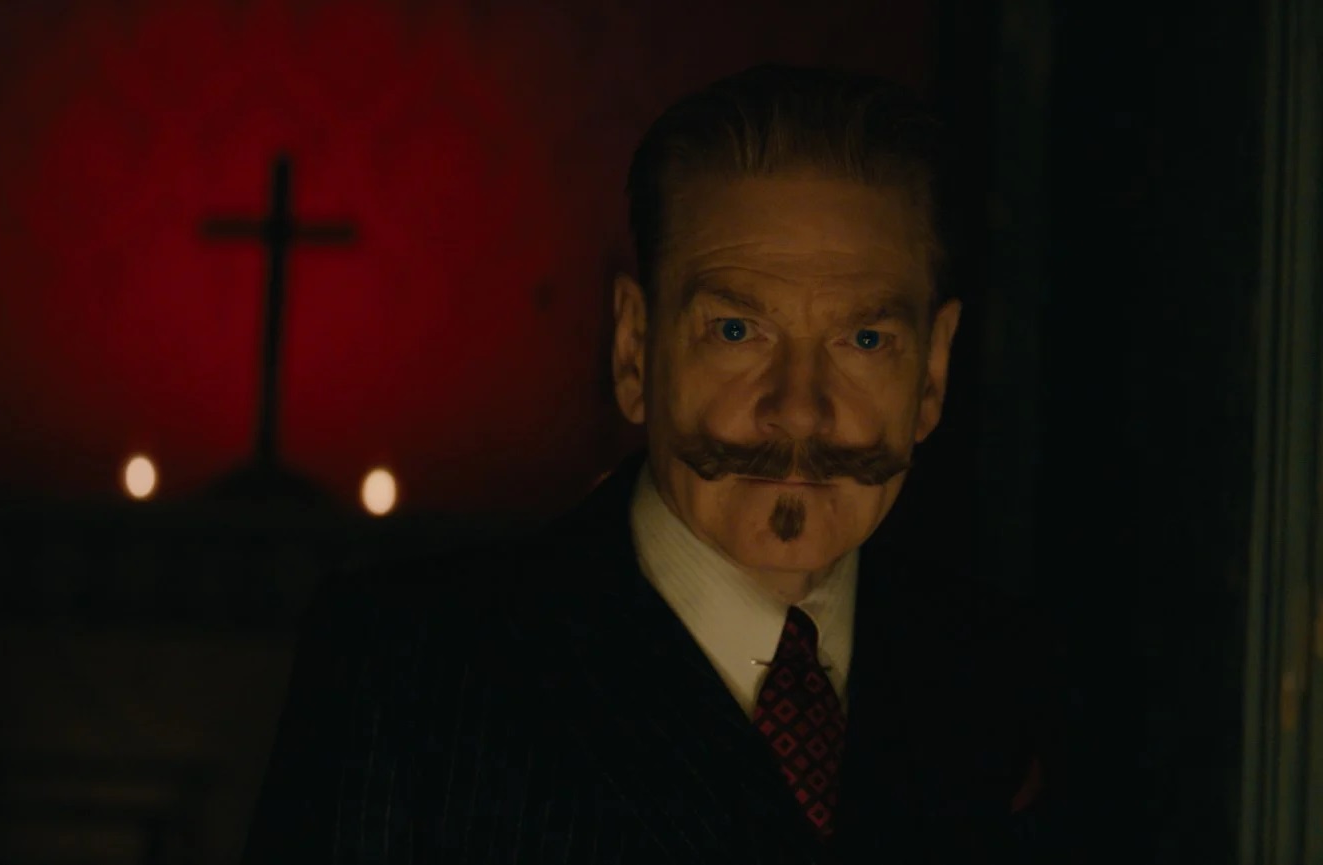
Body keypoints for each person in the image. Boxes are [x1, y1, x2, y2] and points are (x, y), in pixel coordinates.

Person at [242, 65, 1063, 865]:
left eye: (865, 339)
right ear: (635, 349)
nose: (799, 407)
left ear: (933, 373)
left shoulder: (1003, 675)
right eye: (736, 331)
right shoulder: (409, 672)